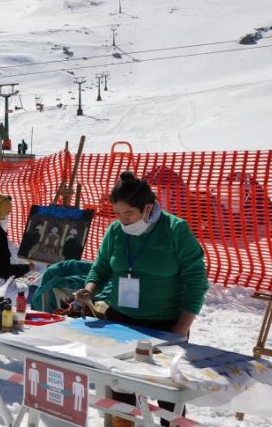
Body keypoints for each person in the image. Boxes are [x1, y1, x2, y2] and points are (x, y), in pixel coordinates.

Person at [74, 171, 208, 427]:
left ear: (148, 207)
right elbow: (101, 268)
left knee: (168, 395)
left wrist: (179, 329)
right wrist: (90, 289)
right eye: (118, 214)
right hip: (120, 323)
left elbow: (196, 281)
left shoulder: (174, 229)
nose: (123, 221)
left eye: (129, 214)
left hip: (165, 326)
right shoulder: (115, 231)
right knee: (121, 390)